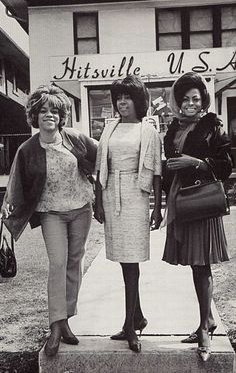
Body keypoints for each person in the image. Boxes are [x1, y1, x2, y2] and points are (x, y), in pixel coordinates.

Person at [1, 85, 97, 356]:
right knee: (57, 264)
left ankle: (66, 319)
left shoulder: (75, 139)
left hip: (80, 209)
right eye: (43, 110)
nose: (49, 115)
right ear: (34, 115)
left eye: (54, 110)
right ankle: (56, 326)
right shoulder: (27, 149)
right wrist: (7, 223)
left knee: (74, 263)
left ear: (62, 115)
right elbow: (15, 187)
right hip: (51, 213)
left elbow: (102, 155)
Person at [162, 72, 232, 362]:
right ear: (178, 101)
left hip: (202, 203)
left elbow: (226, 166)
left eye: (196, 98)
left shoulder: (212, 126)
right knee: (195, 265)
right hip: (183, 202)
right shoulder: (171, 130)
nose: (190, 103)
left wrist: (198, 163)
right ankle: (208, 321)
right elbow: (168, 167)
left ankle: (204, 328)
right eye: (185, 99)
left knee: (202, 266)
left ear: (203, 100)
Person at [94, 75, 162, 353]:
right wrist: (98, 201)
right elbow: (100, 166)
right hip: (112, 194)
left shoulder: (149, 131)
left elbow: (157, 171)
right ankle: (137, 316)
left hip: (136, 194)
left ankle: (130, 326)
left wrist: (157, 206)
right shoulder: (109, 129)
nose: (123, 102)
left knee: (132, 261)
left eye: (128, 97)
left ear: (139, 100)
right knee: (124, 261)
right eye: (119, 98)